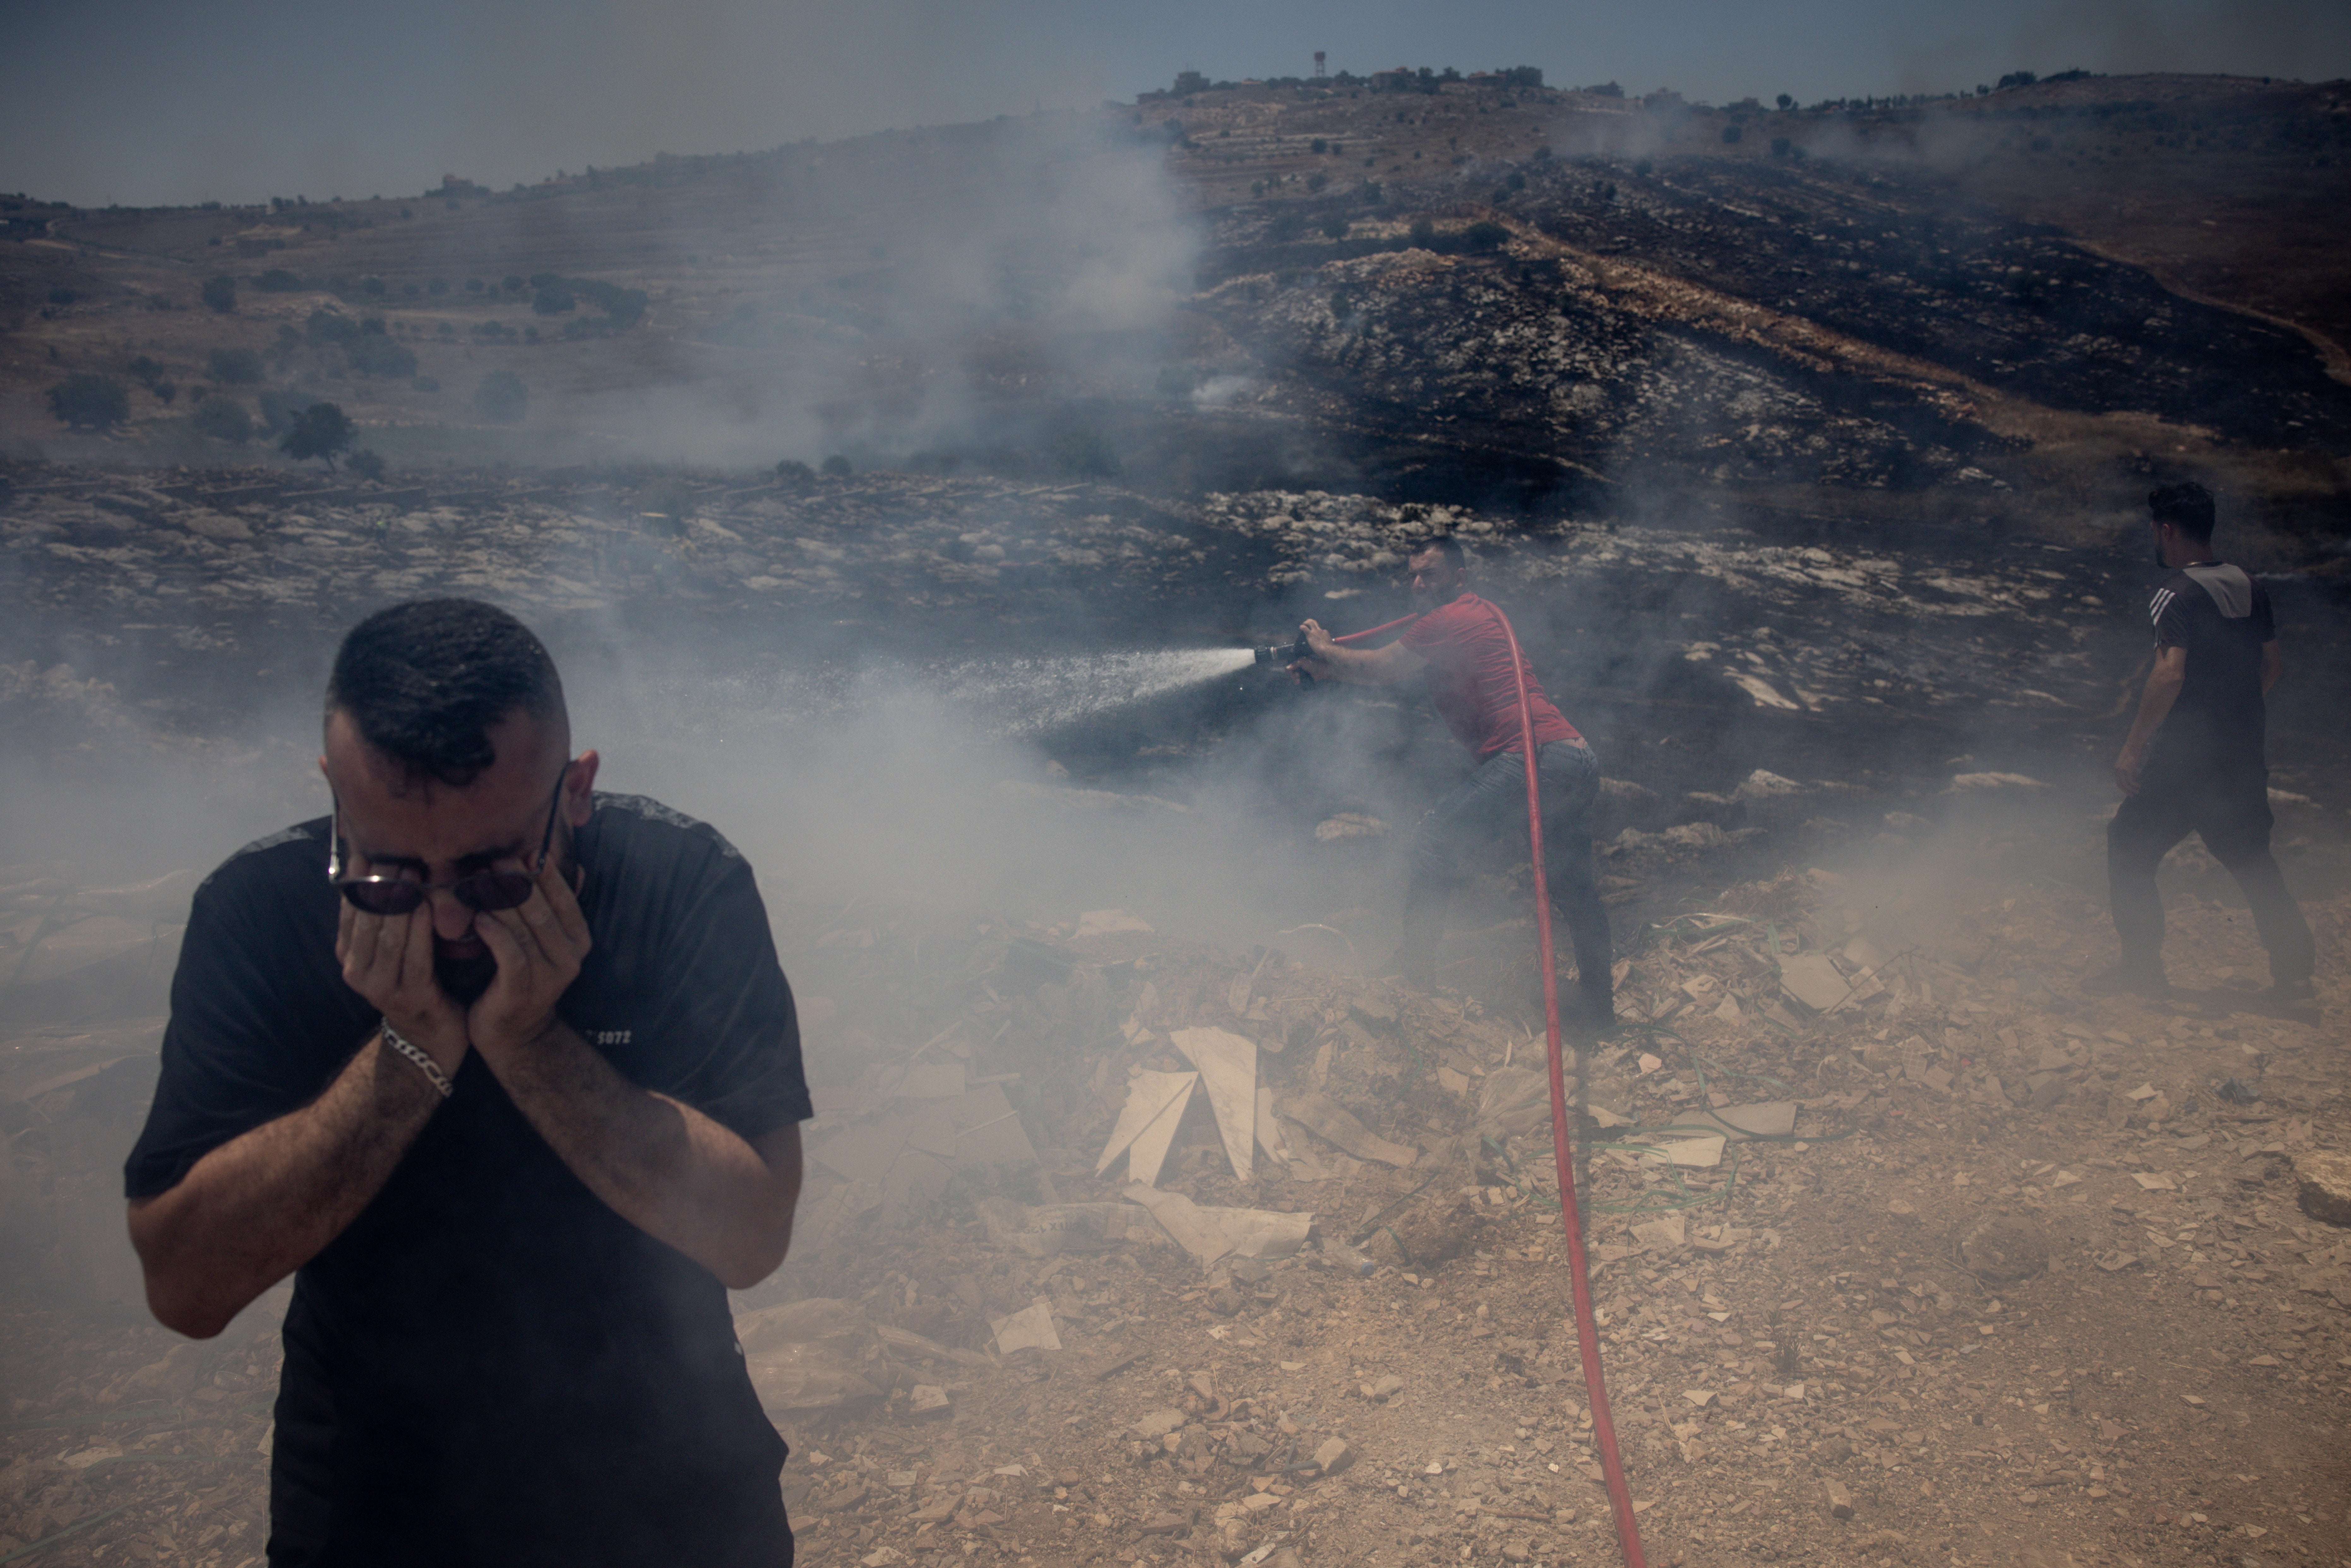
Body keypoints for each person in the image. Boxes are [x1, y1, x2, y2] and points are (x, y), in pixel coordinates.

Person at [123, 599, 812, 1567]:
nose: (447, 922)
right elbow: (186, 1287)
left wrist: (528, 1043)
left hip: (672, 1483)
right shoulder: (260, 912)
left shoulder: (681, 885)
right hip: (371, 1497)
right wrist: (410, 1055)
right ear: (334, 795)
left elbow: (751, 1235)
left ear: (576, 792)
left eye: (494, 877)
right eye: (390, 876)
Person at [1293, 536, 1614, 1028]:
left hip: (1534, 757)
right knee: (1572, 886)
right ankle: (1598, 1008)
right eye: (1414, 575)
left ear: (1460, 577)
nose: (1420, 584)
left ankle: (1414, 974)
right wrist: (1328, 671)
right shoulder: (1472, 617)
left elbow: (1381, 669)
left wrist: (1324, 647)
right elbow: (1385, 674)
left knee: (1434, 838)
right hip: (1573, 758)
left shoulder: (1450, 620)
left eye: (1432, 574)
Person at [2105, 483, 2314, 1006]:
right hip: (2240, 757)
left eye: (2155, 530)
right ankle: (2295, 980)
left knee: (2128, 846)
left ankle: (2142, 972)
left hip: (2184, 761)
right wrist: (2235, 713)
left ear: (2167, 530)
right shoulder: (2251, 585)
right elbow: (2273, 666)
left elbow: (2169, 675)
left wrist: (2134, 747)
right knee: (2252, 860)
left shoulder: (2174, 594)